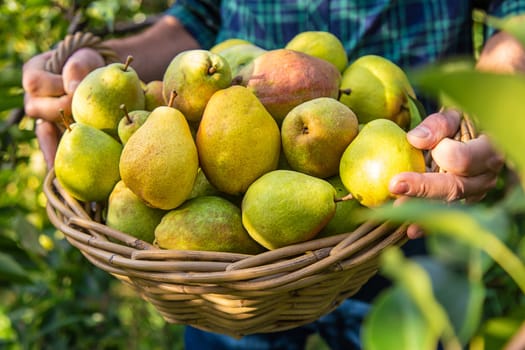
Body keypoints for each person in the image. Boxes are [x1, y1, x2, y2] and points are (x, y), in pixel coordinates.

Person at [22, 1, 524, 349]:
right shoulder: (197, 116)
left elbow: (514, 13)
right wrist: (102, 73)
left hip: (409, 197)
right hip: (224, 278)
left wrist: (487, 110)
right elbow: (198, 16)